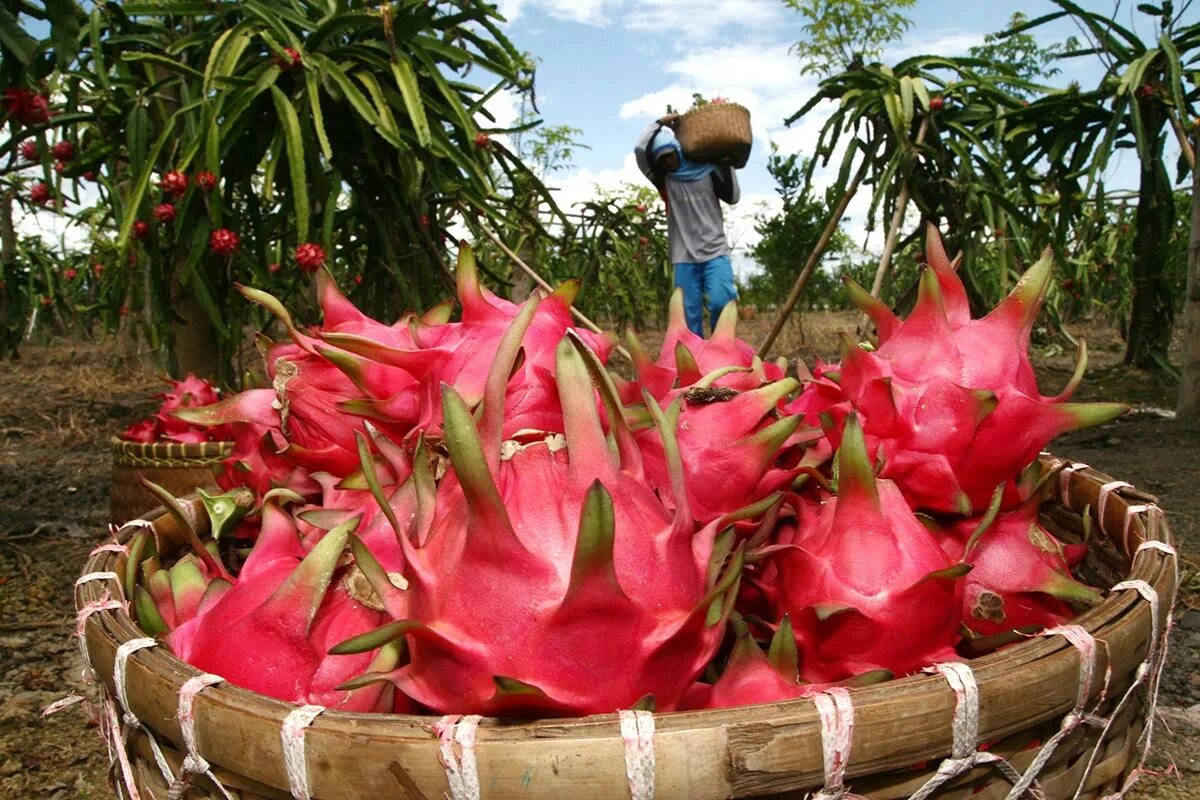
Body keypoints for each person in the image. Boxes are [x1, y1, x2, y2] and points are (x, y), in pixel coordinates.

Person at [634, 115, 740, 337]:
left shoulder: (709, 171)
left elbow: (734, 197)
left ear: (678, 150)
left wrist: (727, 164)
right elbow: (640, 149)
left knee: (723, 301)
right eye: (663, 160)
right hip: (684, 256)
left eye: (671, 156)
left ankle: (720, 349)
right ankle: (696, 363)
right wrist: (659, 123)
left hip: (715, 251)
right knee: (687, 318)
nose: (669, 163)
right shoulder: (665, 182)